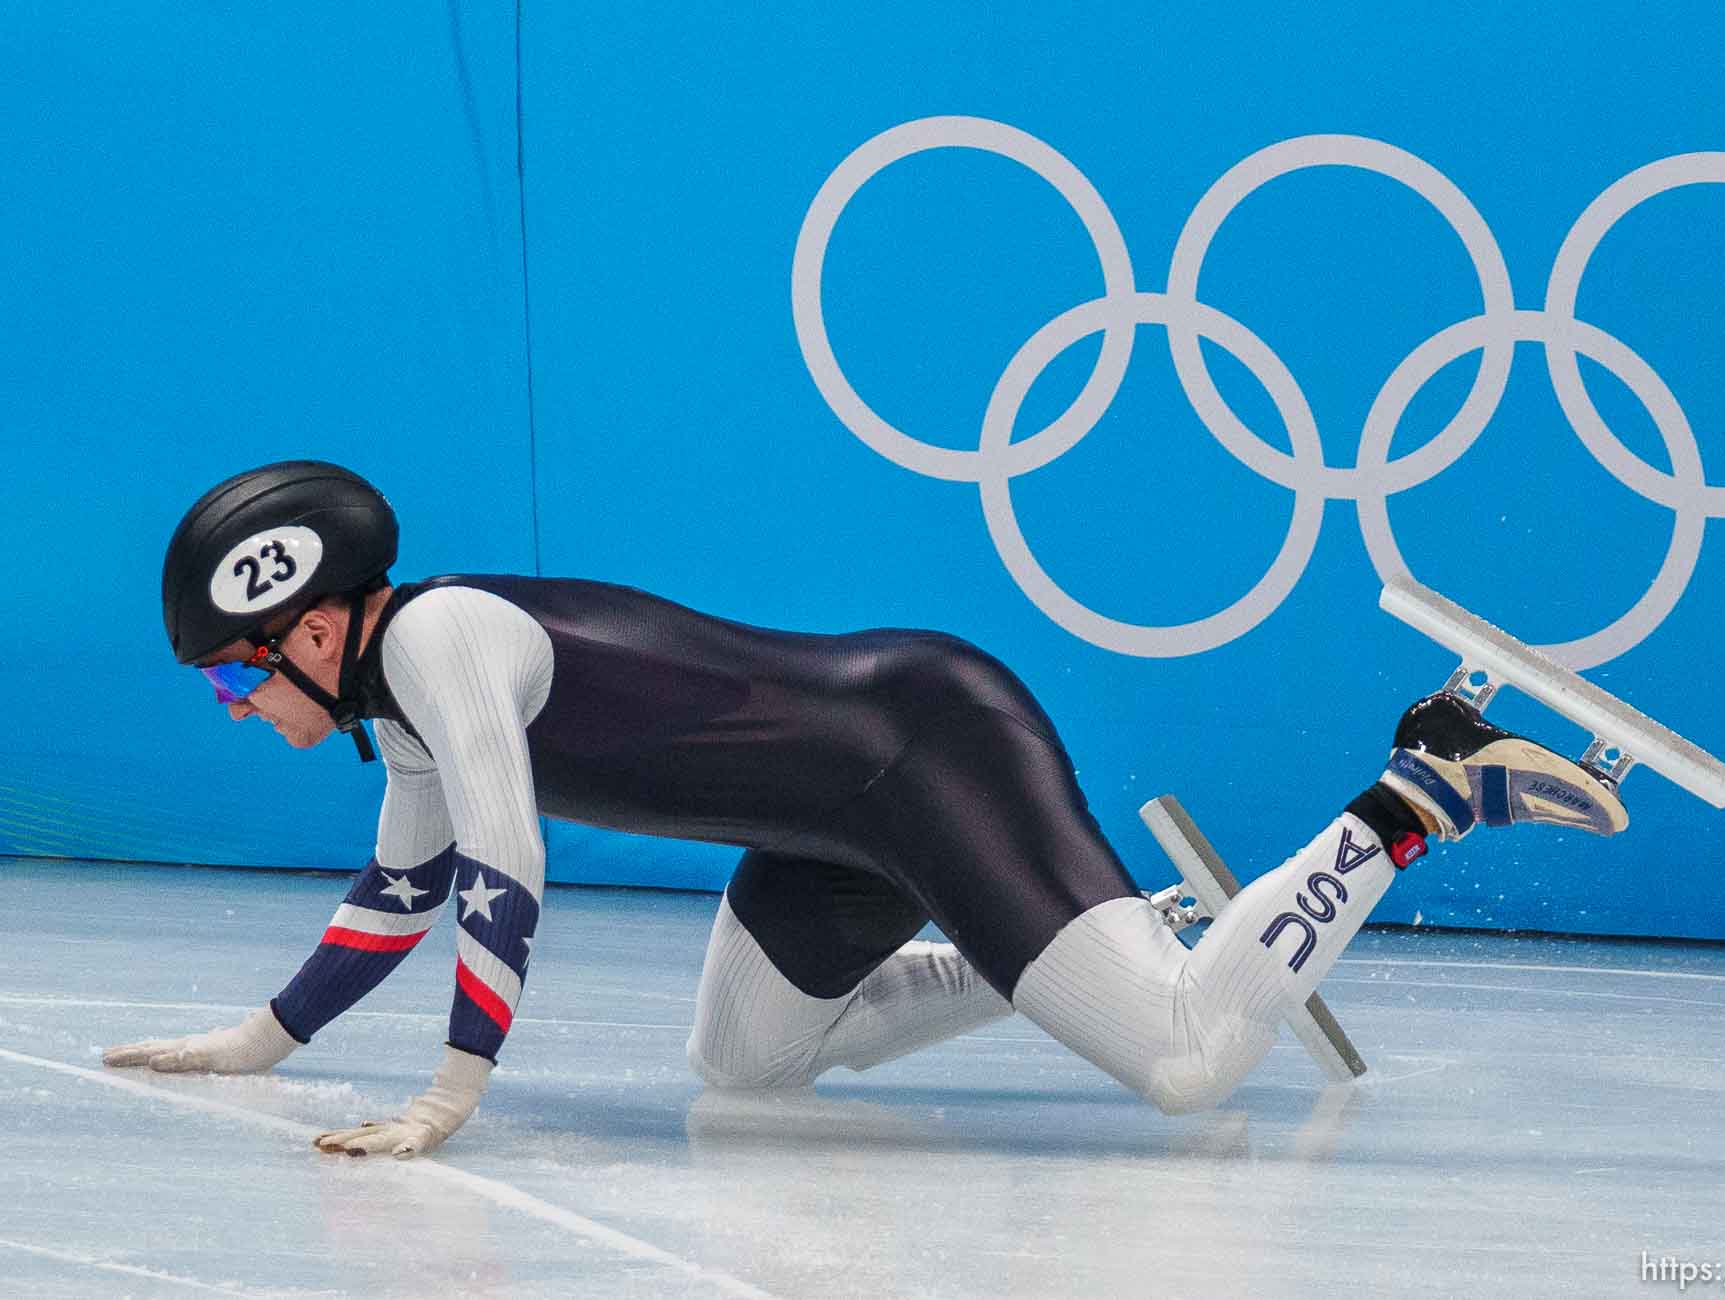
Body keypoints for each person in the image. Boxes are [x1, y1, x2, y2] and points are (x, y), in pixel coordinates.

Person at [106, 461, 1626, 1158]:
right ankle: (1113, 931)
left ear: (309, 624)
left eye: (238, 681)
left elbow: (506, 867)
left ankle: (1423, 780)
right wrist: (255, 1047)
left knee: (1184, 1064)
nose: (246, 713)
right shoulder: (401, 703)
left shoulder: (437, 641)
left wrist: (453, 1094)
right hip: (825, 829)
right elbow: (402, 896)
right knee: (743, 1065)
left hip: (925, 752)